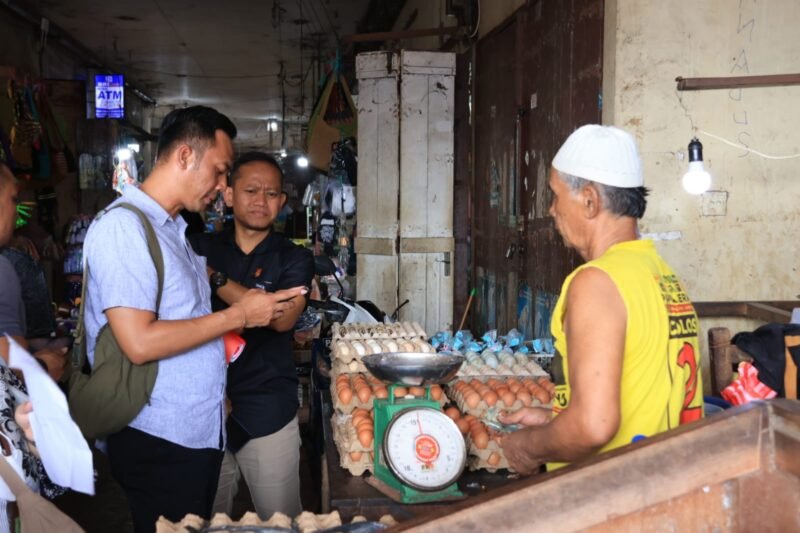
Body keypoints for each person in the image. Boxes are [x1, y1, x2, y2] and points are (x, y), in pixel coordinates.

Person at [81, 107, 307, 532]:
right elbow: (140, 343)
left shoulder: (174, 234)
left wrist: (212, 394)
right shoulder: (125, 228)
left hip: (194, 432)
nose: (222, 185)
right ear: (185, 156)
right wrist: (239, 314)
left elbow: (188, 325)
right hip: (160, 438)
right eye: (220, 172)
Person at [500, 125, 703, 474]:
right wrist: (553, 421)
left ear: (589, 201)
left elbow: (594, 426)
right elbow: (643, 397)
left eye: (555, 195)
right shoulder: (660, 274)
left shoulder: (596, 283)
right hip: (664, 480)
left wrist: (527, 447)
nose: (552, 209)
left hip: (615, 490)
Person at [190, 152, 313, 518]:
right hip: (203, 410)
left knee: (281, 521)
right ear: (228, 195)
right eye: (251, 191)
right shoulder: (198, 248)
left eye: (271, 193)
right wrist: (252, 304)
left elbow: (281, 321)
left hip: (267, 408)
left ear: (282, 201)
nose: (261, 200)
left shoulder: (294, 258)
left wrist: (213, 278)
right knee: (204, 521)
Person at [0, 161, 66, 532]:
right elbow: (12, 369)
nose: (17, 211)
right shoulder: (6, 268)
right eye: (12, 200)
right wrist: (44, 366)